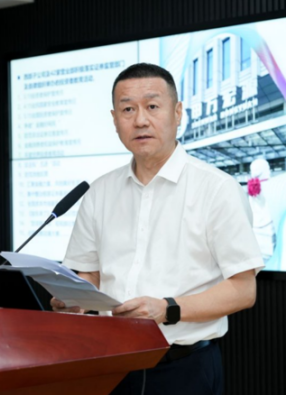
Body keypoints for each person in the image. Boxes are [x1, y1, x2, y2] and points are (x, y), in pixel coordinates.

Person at [54, 63, 263, 395]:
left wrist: (168, 309)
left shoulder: (217, 188)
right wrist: (75, 301)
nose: (140, 120)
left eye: (152, 106)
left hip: (183, 369)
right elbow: (89, 273)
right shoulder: (100, 192)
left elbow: (243, 289)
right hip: (108, 362)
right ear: (114, 120)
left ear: (177, 113)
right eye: (127, 109)